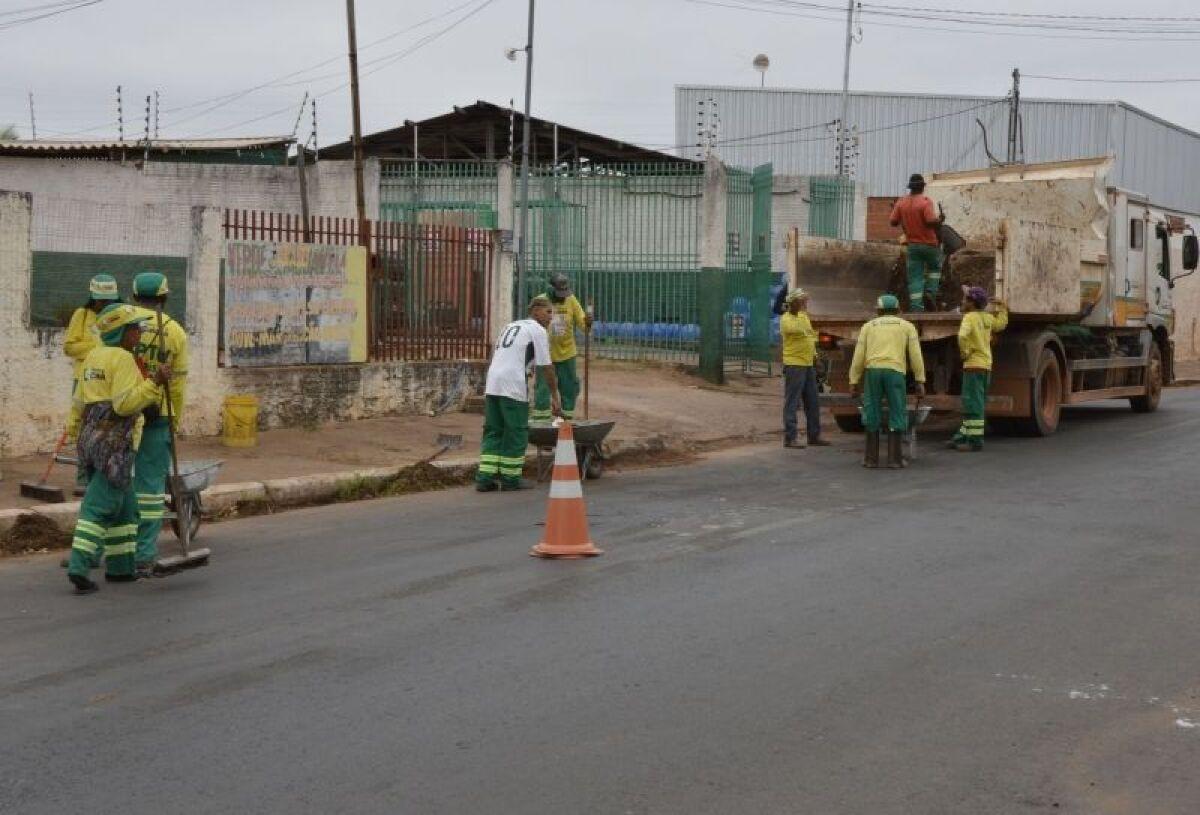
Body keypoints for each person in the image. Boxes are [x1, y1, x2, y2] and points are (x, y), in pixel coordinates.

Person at [66, 304, 169, 594]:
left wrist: (76, 432)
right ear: (122, 333)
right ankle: (79, 567)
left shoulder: (92, 356)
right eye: (134, 328)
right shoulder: (122, 359)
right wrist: (154, 383)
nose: (138, 333)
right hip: (115, 444)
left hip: (90, 437)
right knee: (99, 506)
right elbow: (124, 404)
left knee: (126, 511)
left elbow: (78, 402)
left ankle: (121, 568)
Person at [129, 272, 189, 575]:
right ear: (164, 297)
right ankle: (144, 554)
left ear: (134, 295)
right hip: (157, 415)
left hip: (122, 412)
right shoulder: (174, 331)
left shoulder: (118, 324)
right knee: (151, 488)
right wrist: (173, 419)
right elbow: (176, 385)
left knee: (111, 481)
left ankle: (100, 550)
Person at [477, 296, 562, 492]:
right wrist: (555, 397)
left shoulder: (512, 325)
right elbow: (546, 367)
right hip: (512, 384)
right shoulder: (537, 330)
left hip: (493, 382)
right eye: (548, 312)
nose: (551, 317)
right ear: (535, 311)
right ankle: (510, 478)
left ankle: (485, 478)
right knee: (516, 431)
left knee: (493, 429)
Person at [849, 294, 926, 469]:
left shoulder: (868, 327)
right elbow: (915, 356)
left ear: (878, 310)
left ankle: (871, 459)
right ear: (898, 310)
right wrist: (920, 380)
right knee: (897, 411)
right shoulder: (907, 327)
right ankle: (894, 459)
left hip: (873, 372)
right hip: (895, 372)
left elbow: (858, 356)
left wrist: (853, 381)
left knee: (872, 411)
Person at [64, 274, 121, 494]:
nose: (104, 305)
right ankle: (83, 477)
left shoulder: (117, 316)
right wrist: (97, 348)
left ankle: (104, 476)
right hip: (84, 380)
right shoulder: (82, 314)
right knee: (84, 429)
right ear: (92, 298)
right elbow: (70, 347)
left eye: (108, 301)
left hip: (110, 381)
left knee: (109, 429)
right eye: (100, 300)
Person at [949, 286, 1008, 452]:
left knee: (972, 405)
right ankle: (961, 436)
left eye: (965, 299)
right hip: (985, 367)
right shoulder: (988, 318)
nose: (962, 301)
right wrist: (1003, 308)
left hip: (973, 366)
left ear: (972, 303)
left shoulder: (969, 317)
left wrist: (965, 352)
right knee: (975, 403)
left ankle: (975, 441)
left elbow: (962, 336)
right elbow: (1001, 324)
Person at [531, 274, 591, 423]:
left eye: (564, 293)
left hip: (567, 353)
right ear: (551, 289)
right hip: (545, 354)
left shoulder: (571, 300)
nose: (562, 297)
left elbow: (584, 326)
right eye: (559, 294)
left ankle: (565, 422)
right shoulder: (540, 301)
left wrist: (588, 323)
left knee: (569, 387)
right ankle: (541, 421)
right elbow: (532, 327)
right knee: (543, 388)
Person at [780, 288, 829, 448]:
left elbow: (810, 337)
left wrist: (816, 358)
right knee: (792, 402)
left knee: (813, 401)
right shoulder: (786, 319)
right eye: (802, 301)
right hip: (795, 364)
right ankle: (790, 437)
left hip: (807, 363)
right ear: (793, 303)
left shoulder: (803, 316)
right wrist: (807, 332)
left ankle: (814, 436)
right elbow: (798, 331)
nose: (805, 303)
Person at [889, 173, 944, 312]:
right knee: (934, 268)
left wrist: (900, 213)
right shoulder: (925, 202)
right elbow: (930, 221)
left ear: (910, 188)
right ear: (922, 187)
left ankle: (916, 307)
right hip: (930, 244)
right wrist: (940, 220)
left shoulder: (901, 202)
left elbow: (893, 222)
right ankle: (930, 292)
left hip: (913, 246)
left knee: (915, 277)